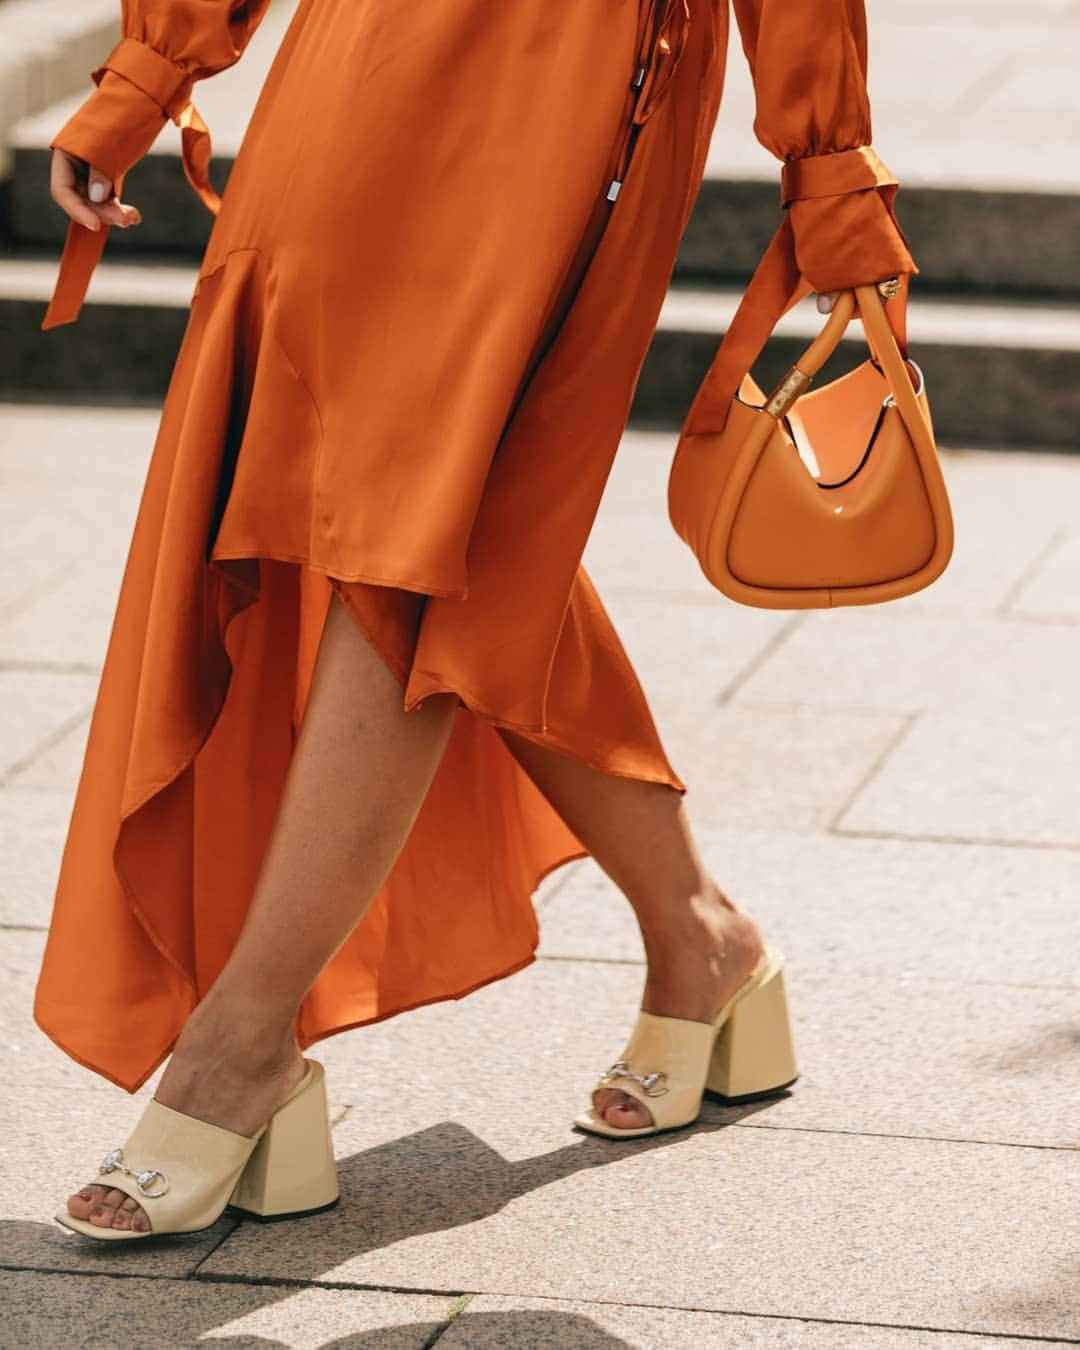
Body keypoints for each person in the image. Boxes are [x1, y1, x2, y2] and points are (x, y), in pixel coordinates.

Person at [37, 0, 914, 1240]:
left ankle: (239, 1047)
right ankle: (700, 934)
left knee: (426, 543)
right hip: (361, 57)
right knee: (445, 530)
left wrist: (830, 165)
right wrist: (152, 64)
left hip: (580, 84)